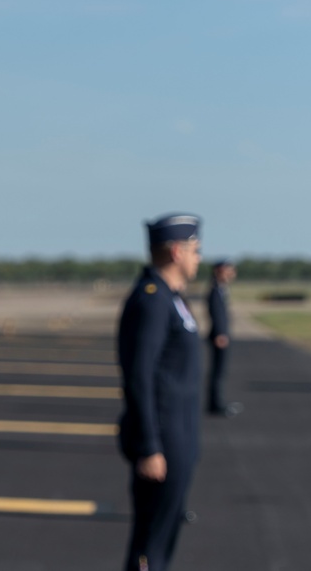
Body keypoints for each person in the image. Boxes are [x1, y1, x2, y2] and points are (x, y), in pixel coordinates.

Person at [117, 214, 203, 571]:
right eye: (196, 250)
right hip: (162, 440)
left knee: (164, 540)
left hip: (178, 435)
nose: (199, 257)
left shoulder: (171, 298)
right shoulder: (152, 299)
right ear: (175, 251)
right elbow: (139, 376)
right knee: (150, 544)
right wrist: (150, 446)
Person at [206, 259, 240, 416]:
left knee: (220, 371)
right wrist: (220, 333)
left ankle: (217, 402)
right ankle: (215, 404)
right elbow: (216, 313)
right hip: (219, 336)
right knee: (218, 372)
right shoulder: (215, 290)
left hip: (221, 335)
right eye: (229, 271)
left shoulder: (221, 289)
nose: (232, 274)